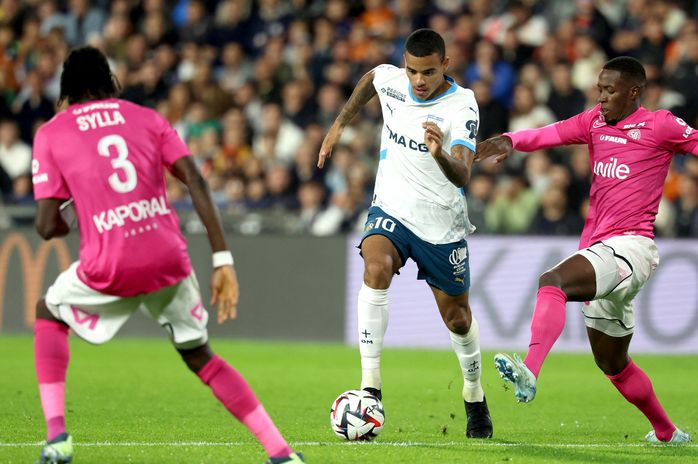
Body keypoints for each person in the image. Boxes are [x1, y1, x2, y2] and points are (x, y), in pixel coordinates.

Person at [476, 56, 698, 444]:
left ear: (634, 92)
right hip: (604, 251)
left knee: (553, 281)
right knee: (613, 363)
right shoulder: (594, 123)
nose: (601, 98)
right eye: (599, 89)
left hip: (632, 248)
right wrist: (511, 140)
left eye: (610, 90)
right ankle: (667, 432)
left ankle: (530, 370)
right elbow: (548, 134)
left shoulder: (660, 125)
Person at [31, 47, 303, 464]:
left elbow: (47, 226)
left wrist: (79, 205)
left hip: (110, 263)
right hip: (168, 258)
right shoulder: (147, 118)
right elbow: (194, 178)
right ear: (113, 83)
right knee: (200, 356)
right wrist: (221, 260)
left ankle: (57, 438)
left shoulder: (52, 131)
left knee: (48, 312)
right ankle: (282, 454)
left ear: (66, 91)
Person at [317, 29, 493, 438]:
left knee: (458, 319)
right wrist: (339, 123)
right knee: (375, 268)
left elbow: (464, 171)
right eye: (413, 70)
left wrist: (440, 154)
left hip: (440, 223)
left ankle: (473, 394)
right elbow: (369, 81)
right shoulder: (391, 79)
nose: (418, 80)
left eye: (428, 72)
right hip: (391, 209)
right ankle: (371, 390)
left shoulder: (461, 104)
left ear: (445, 66)